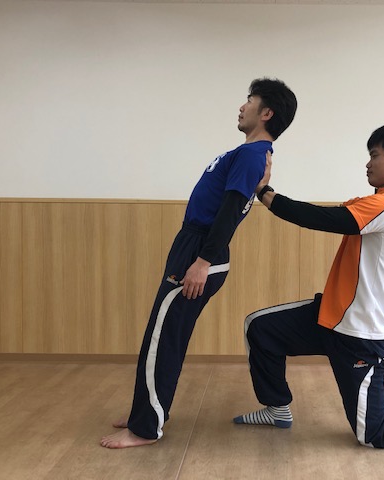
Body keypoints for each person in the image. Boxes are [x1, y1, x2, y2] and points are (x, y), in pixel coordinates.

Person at [233, 122, 384, 448]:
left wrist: (264, 191)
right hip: (330, 317)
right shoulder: (375, 203)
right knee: (260, 329)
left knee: (373, 434)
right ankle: (277, 408)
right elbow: (328, 214)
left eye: (375, 155)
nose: (368, 163)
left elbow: (322, 219)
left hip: (360, 336)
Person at [100, 78, 297, 449]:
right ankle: (148, 410)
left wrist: (202, 261)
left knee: (163, 339)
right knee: (162, 335)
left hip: (201, 252)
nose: (242, 106)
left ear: (266, 113)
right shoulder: (247, 154)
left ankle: (145, 427)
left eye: (250, 100)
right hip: (192, 245)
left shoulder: (252, 155)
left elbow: (229, 213)